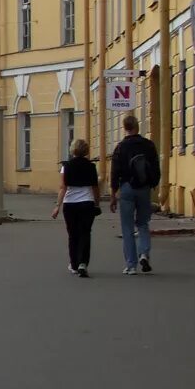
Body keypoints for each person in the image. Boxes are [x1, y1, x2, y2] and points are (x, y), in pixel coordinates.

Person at [109, 114, 160, 275]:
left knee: (127, 227)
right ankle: (144, 253)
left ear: (124, 128)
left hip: (126, 188)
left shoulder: (120, 147)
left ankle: (131, 265)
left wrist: (113, 194)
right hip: (144, 188)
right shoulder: (148, 145)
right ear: (137, 127)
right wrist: (152, 184)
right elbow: (156, 167)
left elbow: (114, 172)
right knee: (143, 223)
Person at [52, 139, 100, 277]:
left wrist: (57, 206)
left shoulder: (66, 166)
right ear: (86, 150)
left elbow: (63, 187)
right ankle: (82, 263)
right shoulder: (91, 166)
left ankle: (74, 264)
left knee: (73, 235)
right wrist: (97, 203)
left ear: (72, 149)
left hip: (70, 204)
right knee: (85, 233)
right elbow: (95, 187)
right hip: (87, 203)